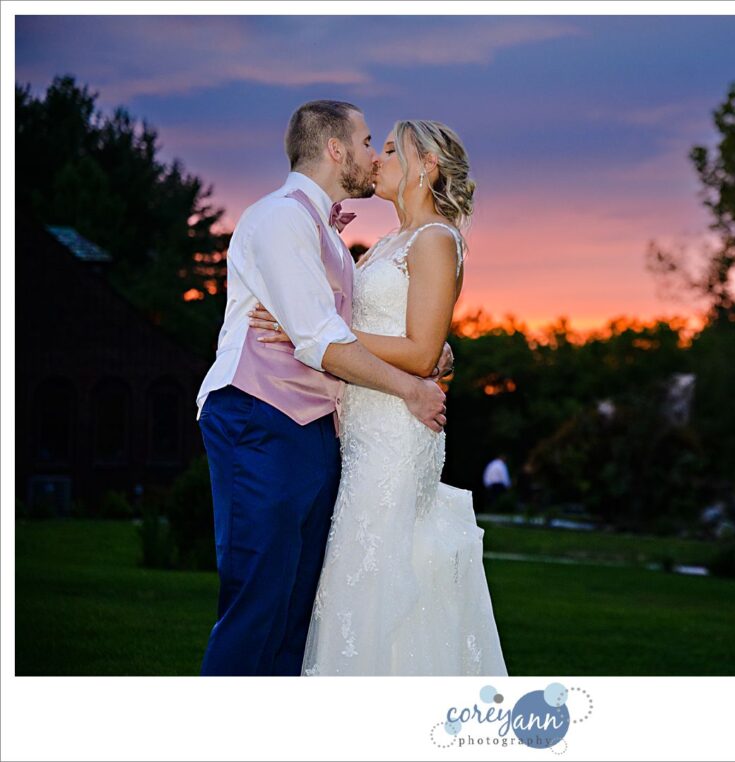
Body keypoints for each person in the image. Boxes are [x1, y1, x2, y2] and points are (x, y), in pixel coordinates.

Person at [194, 101, 449, 676]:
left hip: (314, 433)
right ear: (334, 149)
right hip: (260, 417)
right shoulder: (282, 217)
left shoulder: (328, 234)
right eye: (365, 143)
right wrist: (410, 389)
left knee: (294, 619)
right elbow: (318, 339)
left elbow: (374, 329)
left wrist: (436, 353)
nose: (371, 156)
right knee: (256, 605)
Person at [251, 120, 507, 676]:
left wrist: (308, 329)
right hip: (364, 428)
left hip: (398, 429)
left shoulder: (437, 238)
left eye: (392, 149)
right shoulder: (387, 243)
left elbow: (420, 352)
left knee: (375, 572)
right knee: (356, 571)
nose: (379, 159)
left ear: (428, 166)